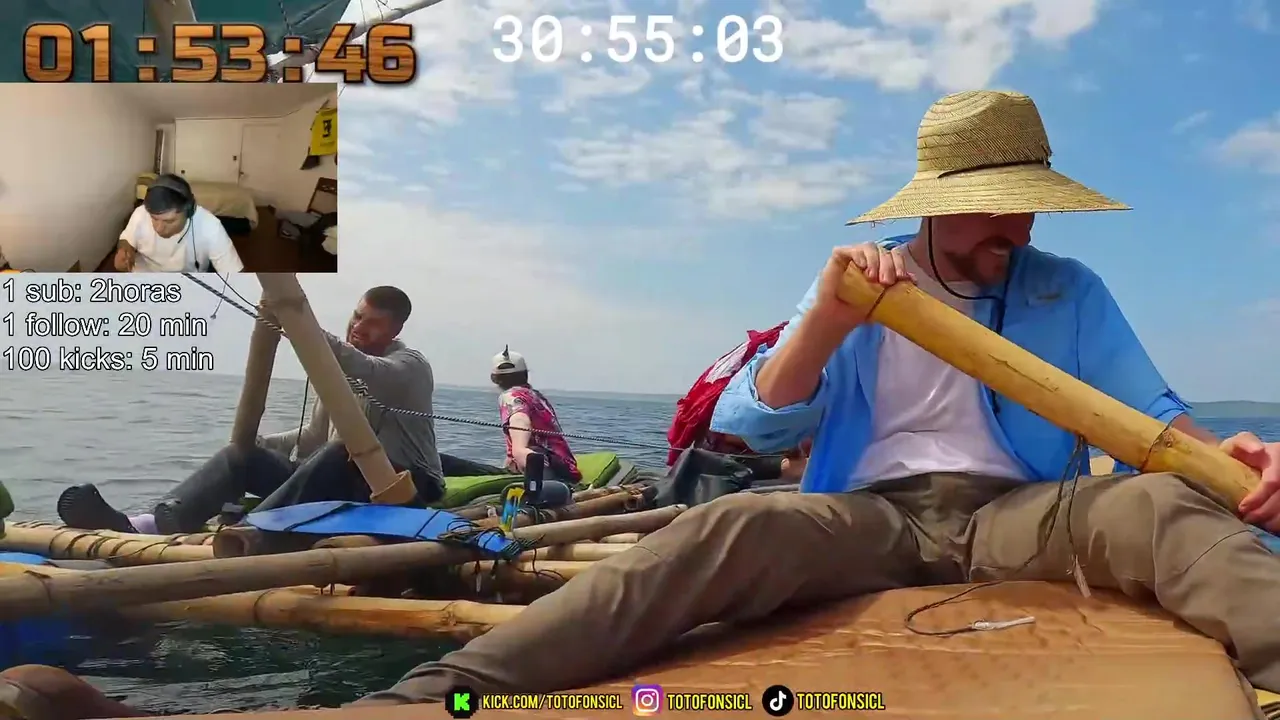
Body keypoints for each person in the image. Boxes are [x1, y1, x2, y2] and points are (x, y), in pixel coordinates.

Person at [8, 89, 1280, 717]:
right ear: (937, 205)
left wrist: (1228, 456)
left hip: (1024, 512)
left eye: (1025, 211)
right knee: (724, 527)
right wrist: (831, 316)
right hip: (878, 514)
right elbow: (757, 429)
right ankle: (430, 696)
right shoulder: (857, 282)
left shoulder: (1066, 289)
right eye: (994, 210)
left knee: (1164, 510)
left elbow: (1151, 418)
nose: (1013, 230)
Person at [56, 286, 445, 535]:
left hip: (408, 487)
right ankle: (150, 524)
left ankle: (248, 531)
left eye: (373, 323)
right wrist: (260, 445)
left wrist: (298, 322)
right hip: (339, 476)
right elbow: (312, 437)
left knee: (340, 451)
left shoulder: (408, 366)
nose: (359, 326)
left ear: (394, 332)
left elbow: (366, 368)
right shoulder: (337, 372)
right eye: (358, 316)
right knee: (241, 454)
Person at [665, 322, 807, 481]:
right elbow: (734, 431)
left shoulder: (776, 352)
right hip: (725, 456)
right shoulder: (776, 368)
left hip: (728, 448)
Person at [114, 174, 244, 273]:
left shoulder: (211, 227)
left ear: (189, 211)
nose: (158, 228)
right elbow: (126, 240)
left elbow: (236, 277)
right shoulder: (141, 213)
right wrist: (124, 251)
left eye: (169, 221)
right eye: (154, 218)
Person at [491, 347, 581, 483]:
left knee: (454, 464)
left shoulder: (511, 396)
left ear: (494, 379)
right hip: (564, 467)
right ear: (525, 375)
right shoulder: (536, 396)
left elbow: (520, 418)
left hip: (545, 469)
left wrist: (519, 450)